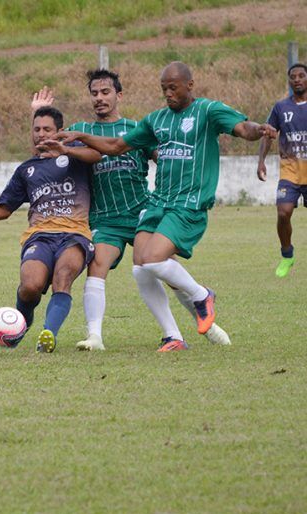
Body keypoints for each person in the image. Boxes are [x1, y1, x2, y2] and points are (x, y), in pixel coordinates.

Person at [42, 62, 277, 351]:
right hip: (151, 206)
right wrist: (76, 139)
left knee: (153, 261)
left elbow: (243, 127)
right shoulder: (156, 121)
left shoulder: (206, 111)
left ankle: (202, 296)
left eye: (173, 87)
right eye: (163, 88)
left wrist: (259, 130)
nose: (168, 93)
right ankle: (172, 337)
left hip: (180, 204)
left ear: (189, 85)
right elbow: (114, 146)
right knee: (142, 269)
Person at [0, 106, 101, 353]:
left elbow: (97, 154)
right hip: (40, 236)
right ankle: (17, 328)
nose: (40, 134)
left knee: (63, 277)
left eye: (47, 129)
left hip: (75, 234)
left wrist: (66, 148)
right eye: (36, 129)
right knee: (30, 286)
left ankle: (48, 334)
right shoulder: (27, 170)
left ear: (60, 132)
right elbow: (4, 209)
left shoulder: (76, 157)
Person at [257, 62, 307, 278]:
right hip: (290, 172)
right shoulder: (281, 108)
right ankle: (287, 255)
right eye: (293, 76)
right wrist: (261, 161)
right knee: (283, 212)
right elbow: (268, 135)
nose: (297, 79)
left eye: (301, 75)